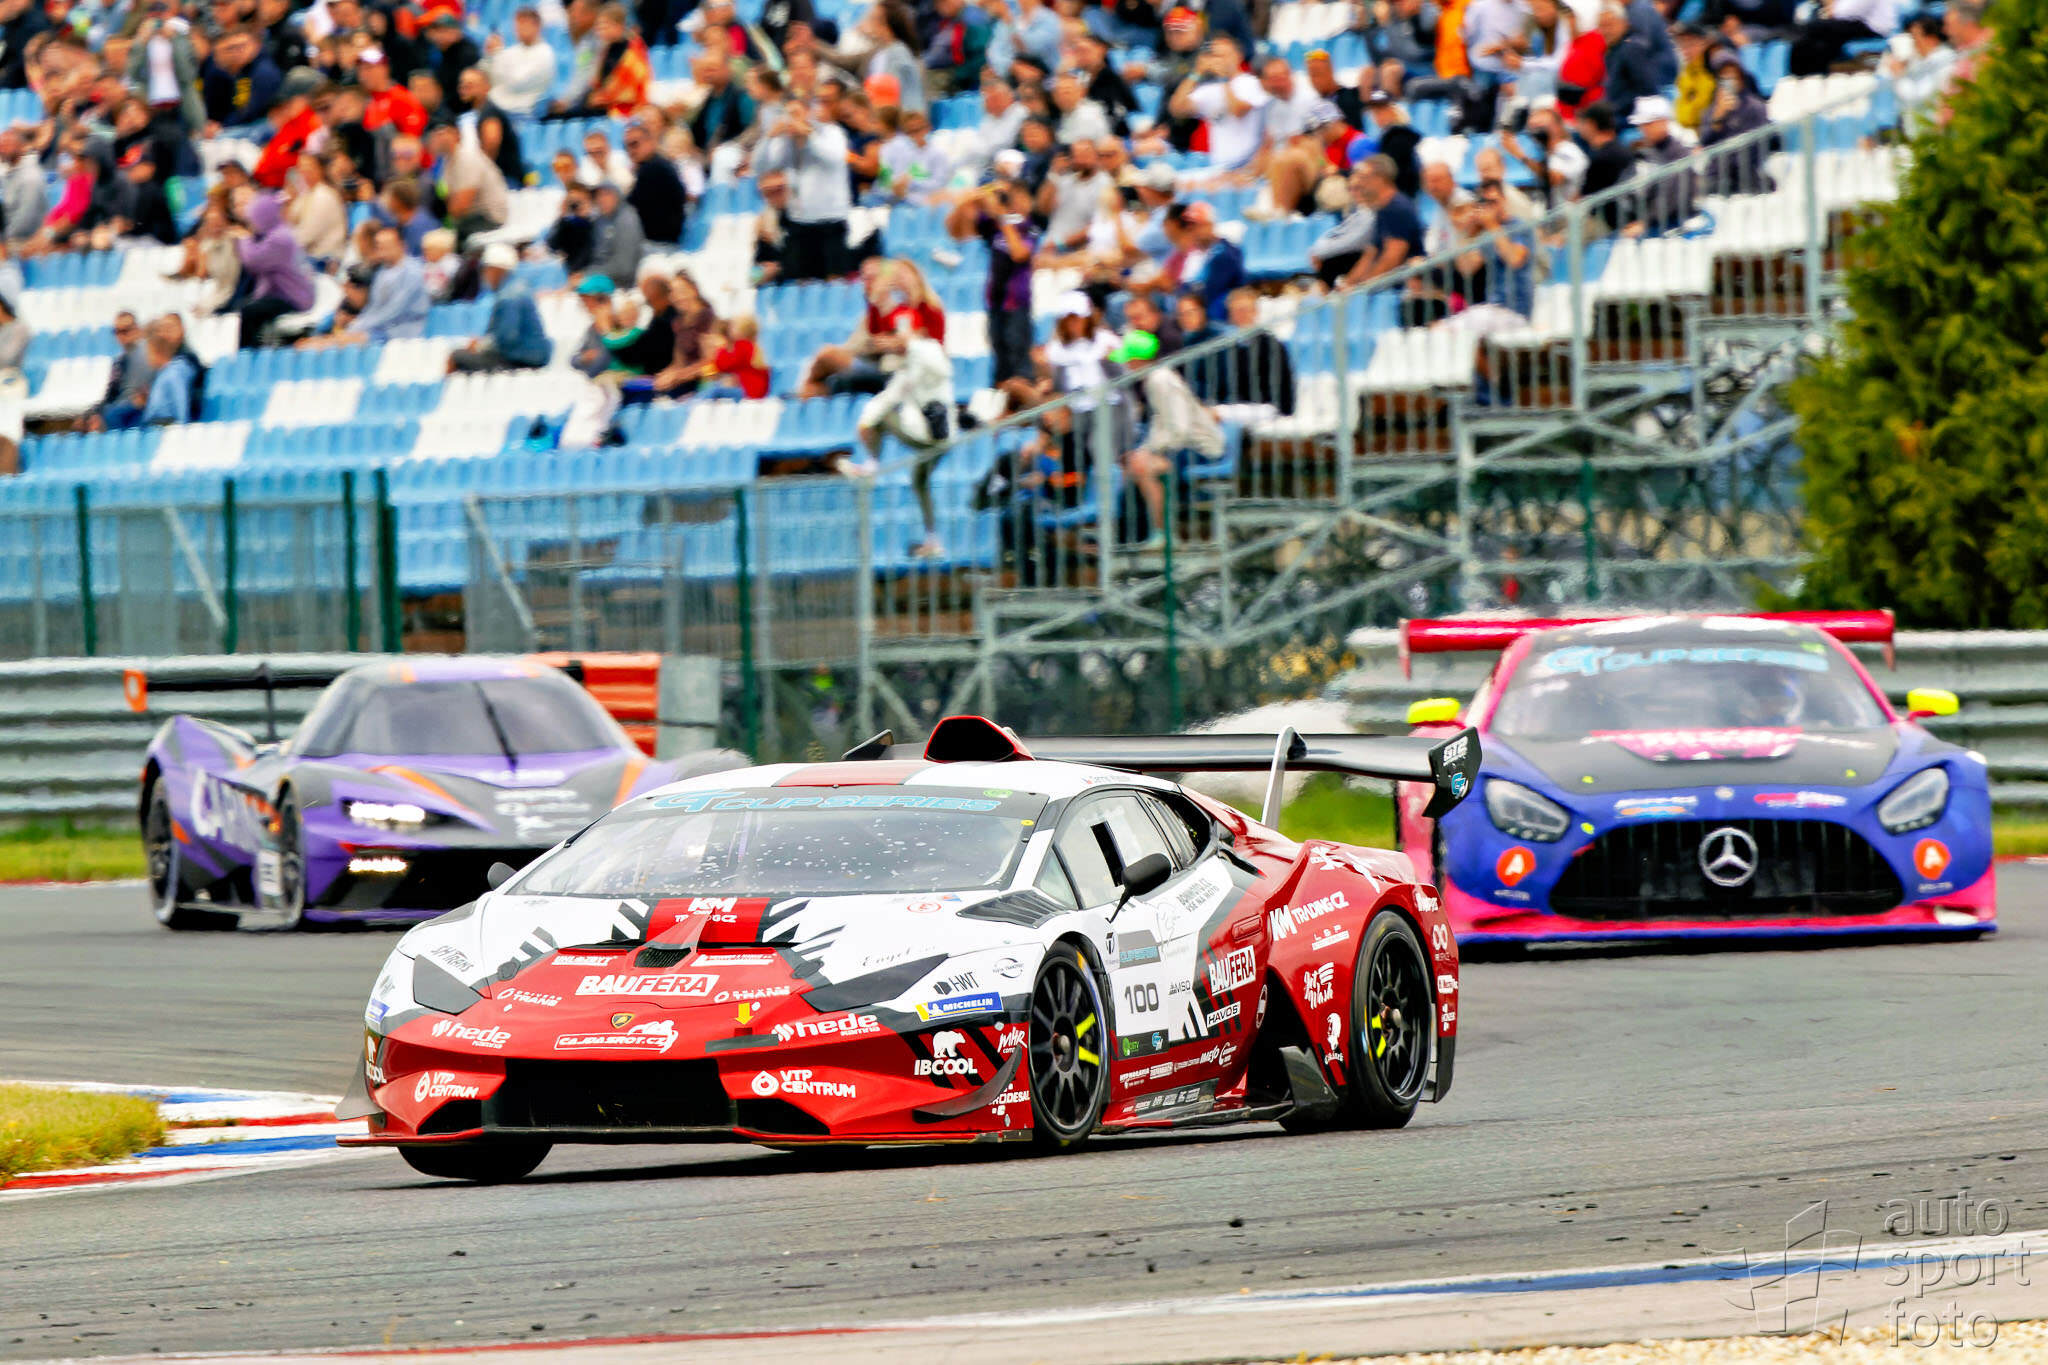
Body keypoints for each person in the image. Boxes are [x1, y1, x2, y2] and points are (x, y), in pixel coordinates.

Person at [849, 309, 955, 557]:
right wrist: (864, 424)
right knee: (919, 482)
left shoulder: (929, 350)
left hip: (937, 434)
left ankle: (872, 466)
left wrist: (910, 343)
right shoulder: (905, 369)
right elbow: (888, 398)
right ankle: (933, 540)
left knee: (884, 418)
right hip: (931, 437)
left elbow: (942, 369)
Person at [1117, 329, 1223, 548]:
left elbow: (1180, 429)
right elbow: (1161, 426)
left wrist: (1149, 451)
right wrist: (1145, 450)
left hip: (1199, 449)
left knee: (1143, 467)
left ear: (1137, 360)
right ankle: (1137, 533)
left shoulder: (1161, 380)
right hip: (1180, 446)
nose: (1126, 365)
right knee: (1134, 462)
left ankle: (1163, 534)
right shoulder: (1155, 379)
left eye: (1128, 359)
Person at [948, 178, 1038, 384]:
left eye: (1018, 197)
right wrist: (972, 198)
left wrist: (1002, 216)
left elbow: (1019, 253)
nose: (1014, 203)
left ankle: (1024, 397)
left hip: (1017, 304)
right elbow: (956, 233)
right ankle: (1004, 395)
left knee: (1019, 365)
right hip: (995, 302)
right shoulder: (994, 227)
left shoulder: (1029, 227)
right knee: (1000, 365)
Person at [756, 95, 854, 280]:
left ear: (809, 113)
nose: (791, 119)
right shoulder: (786, 141)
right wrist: (768, 138)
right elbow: (761, 166)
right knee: (798, 282)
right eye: (788, 114)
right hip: (799, 222)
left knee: (834, 282)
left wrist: (809, 135)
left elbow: (835, 158)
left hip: (830, 221)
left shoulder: (831, 133)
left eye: (796, 113)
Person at [312, 224, 427, 345]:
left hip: (404, 330)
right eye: (380, 246)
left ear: (401, 245)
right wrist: (355, 326)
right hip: (380, 329)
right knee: (330, 340)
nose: (382, 250)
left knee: (340, 342)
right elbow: (373, 307)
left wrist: (358, 327)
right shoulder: (383, 272)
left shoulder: (412, 272)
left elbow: (393, 310)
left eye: (387, 246)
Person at [235, 191, 316, 347]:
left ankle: (247, 354)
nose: (252, 224)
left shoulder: (280, 238)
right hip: (284, 295)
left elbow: (253, 262)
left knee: (249, 312)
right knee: (245, 306)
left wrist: (244, 238)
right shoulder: (276, 233)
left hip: (295, 298)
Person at [1342, 154, 1423, 288]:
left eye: (1364, 178)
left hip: (1402, 287)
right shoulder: (1382, 209)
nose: (1359, 183)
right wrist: (1348, 284)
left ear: (1380, 179)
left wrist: (1364, 288)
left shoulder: (1397, 208)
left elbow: (1392, 258)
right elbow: (1371, 253)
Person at [427, 120, 508, 246]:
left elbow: (461, 206)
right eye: (436, 134)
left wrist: (446, 216)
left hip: (489, 218)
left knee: (451, 240)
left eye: (443, 133)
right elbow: (448, 199)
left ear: (456, 134)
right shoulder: (446, 161)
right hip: (471, 217)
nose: (439, 138)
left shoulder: (467, 158)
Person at [1789, 0, 1896, 78]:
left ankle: (1812, 73)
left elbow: (1841, 13)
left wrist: (1829, 4)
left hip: (1874, 29)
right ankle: (1806, 75)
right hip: (1856, 24)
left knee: (1817, 28)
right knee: (1817, 42)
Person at [483, 6, 556, 116]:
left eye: (524, 23)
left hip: (524, 111)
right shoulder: (512, 51)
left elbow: (517, 83)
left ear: (537, 26)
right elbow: (493, 79)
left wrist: (497, 54)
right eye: (517, 24)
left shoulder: (545, 53)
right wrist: (491, 54)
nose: (519, 28)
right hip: (498, 106)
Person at [589, 180, 646, 287]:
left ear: (618, 196)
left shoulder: (627, 219)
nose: (601, 199)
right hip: (598, 277)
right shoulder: (599, 220)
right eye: (598, 195)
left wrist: (588, 274)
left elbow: (624, 266)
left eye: (607, 194)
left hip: (621, 285)